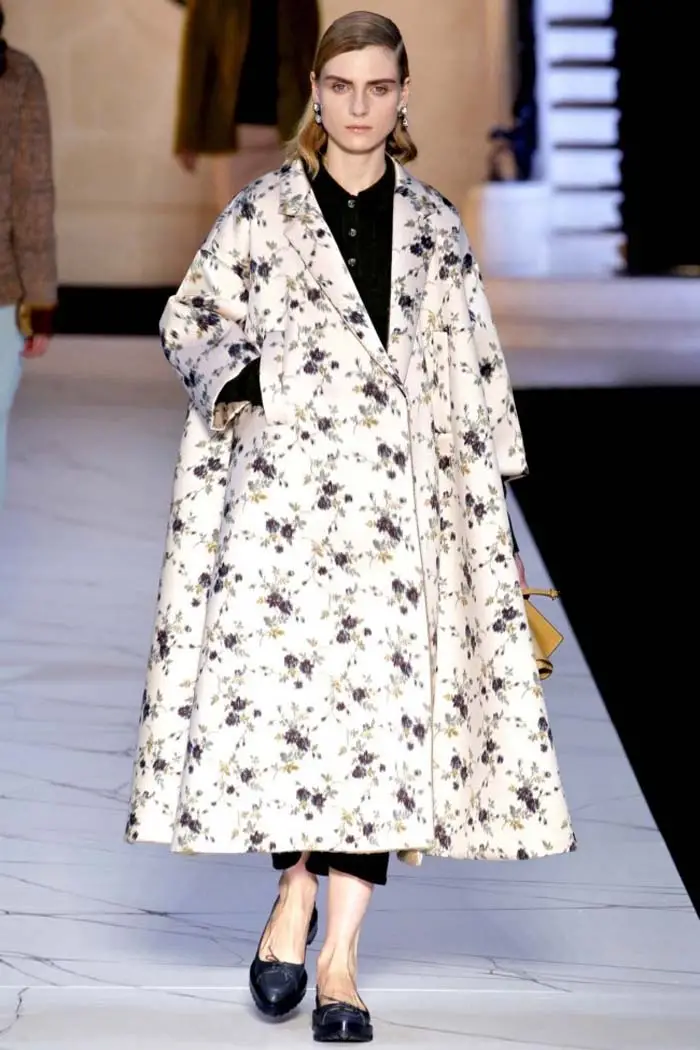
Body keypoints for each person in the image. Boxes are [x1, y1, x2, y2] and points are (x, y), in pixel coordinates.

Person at [126, 11, 575, 1043]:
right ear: (317, 96)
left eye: (379, 87)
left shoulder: (438, 229)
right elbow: (189, 317)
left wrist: (491, 528)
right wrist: (251, 387)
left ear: (404, 93)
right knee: (295, 716)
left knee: (382, 732)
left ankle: (339, 959)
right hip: (287, 519)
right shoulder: (262, 212)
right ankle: (293, 892)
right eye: (342, 87)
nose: (360, 106)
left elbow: (474, 379)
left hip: (402, 526)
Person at [173, 0, 319, 211]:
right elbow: (197, 60)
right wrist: (188, 135)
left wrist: (315, 129)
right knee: (238, 221)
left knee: (285, 222)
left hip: (287, 132)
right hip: (236, 135)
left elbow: (308, 58)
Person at [0, 4, 56, 506]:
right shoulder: (17, 75)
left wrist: (38, 301)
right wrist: (38, 303)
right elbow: (31, 196)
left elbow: (31, 196)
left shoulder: (18, 77)